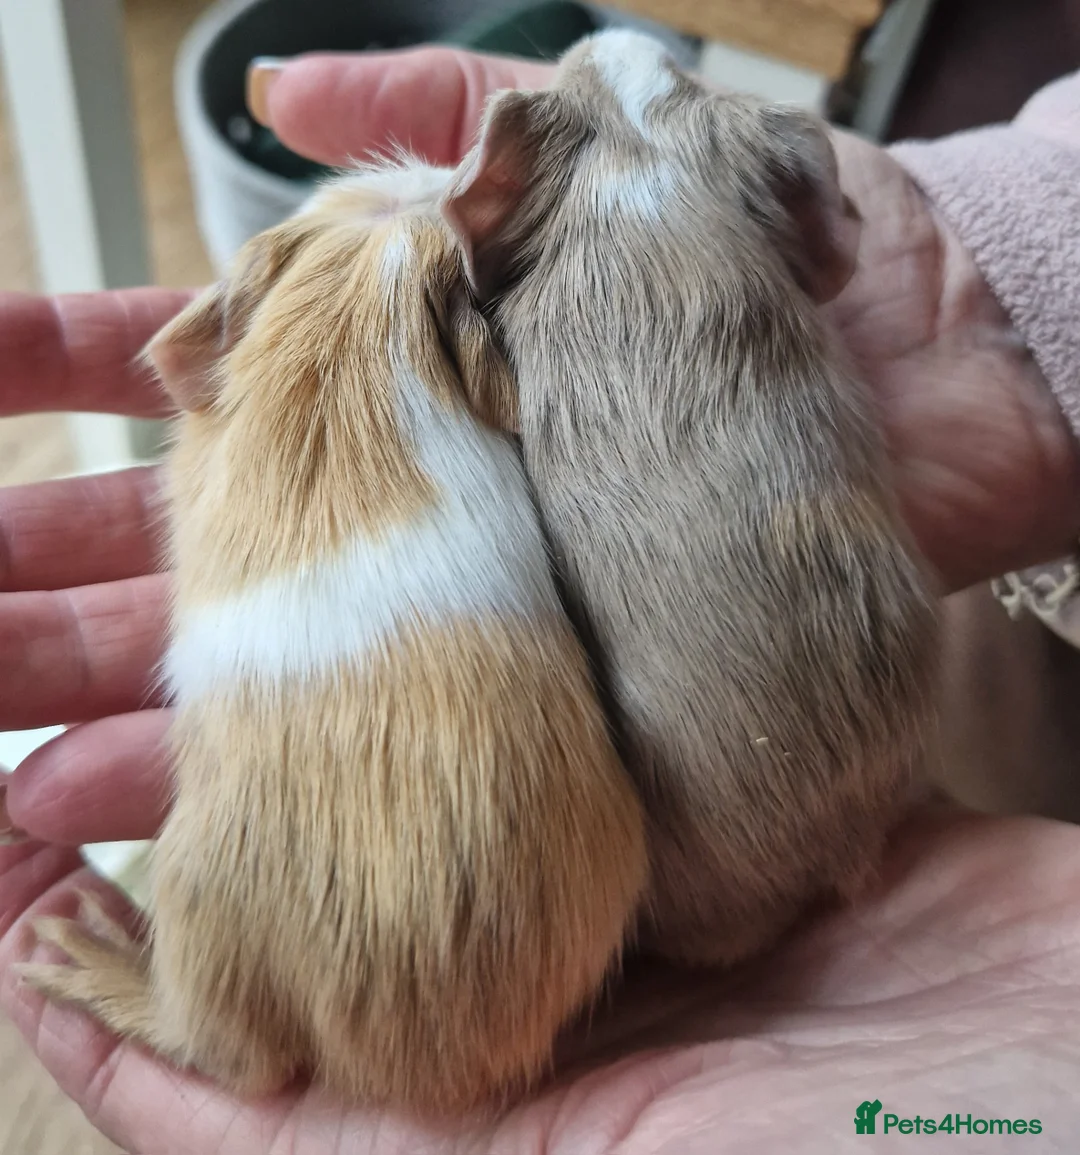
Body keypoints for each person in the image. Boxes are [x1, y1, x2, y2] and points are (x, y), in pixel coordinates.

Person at [1, 46, 1079, 1153]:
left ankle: (227, 1016)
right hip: (620, 913)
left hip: (655, 882)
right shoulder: (501, 383)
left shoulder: (297, 442)